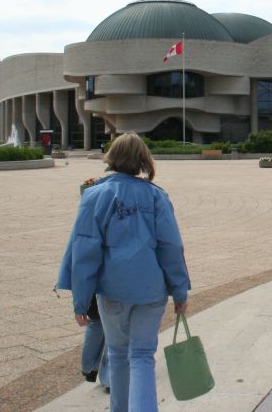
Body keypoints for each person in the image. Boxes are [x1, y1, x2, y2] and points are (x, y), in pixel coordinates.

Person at [57, 133, 190, 412]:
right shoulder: (156, 196)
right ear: (143, 159)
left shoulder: (95, 195)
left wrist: (80, 300)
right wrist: (179, 291)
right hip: (151, 290)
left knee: (118, 355)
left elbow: (84, 252)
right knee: (142, 356)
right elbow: (171, 247)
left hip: (113, 291)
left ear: (112, 157)